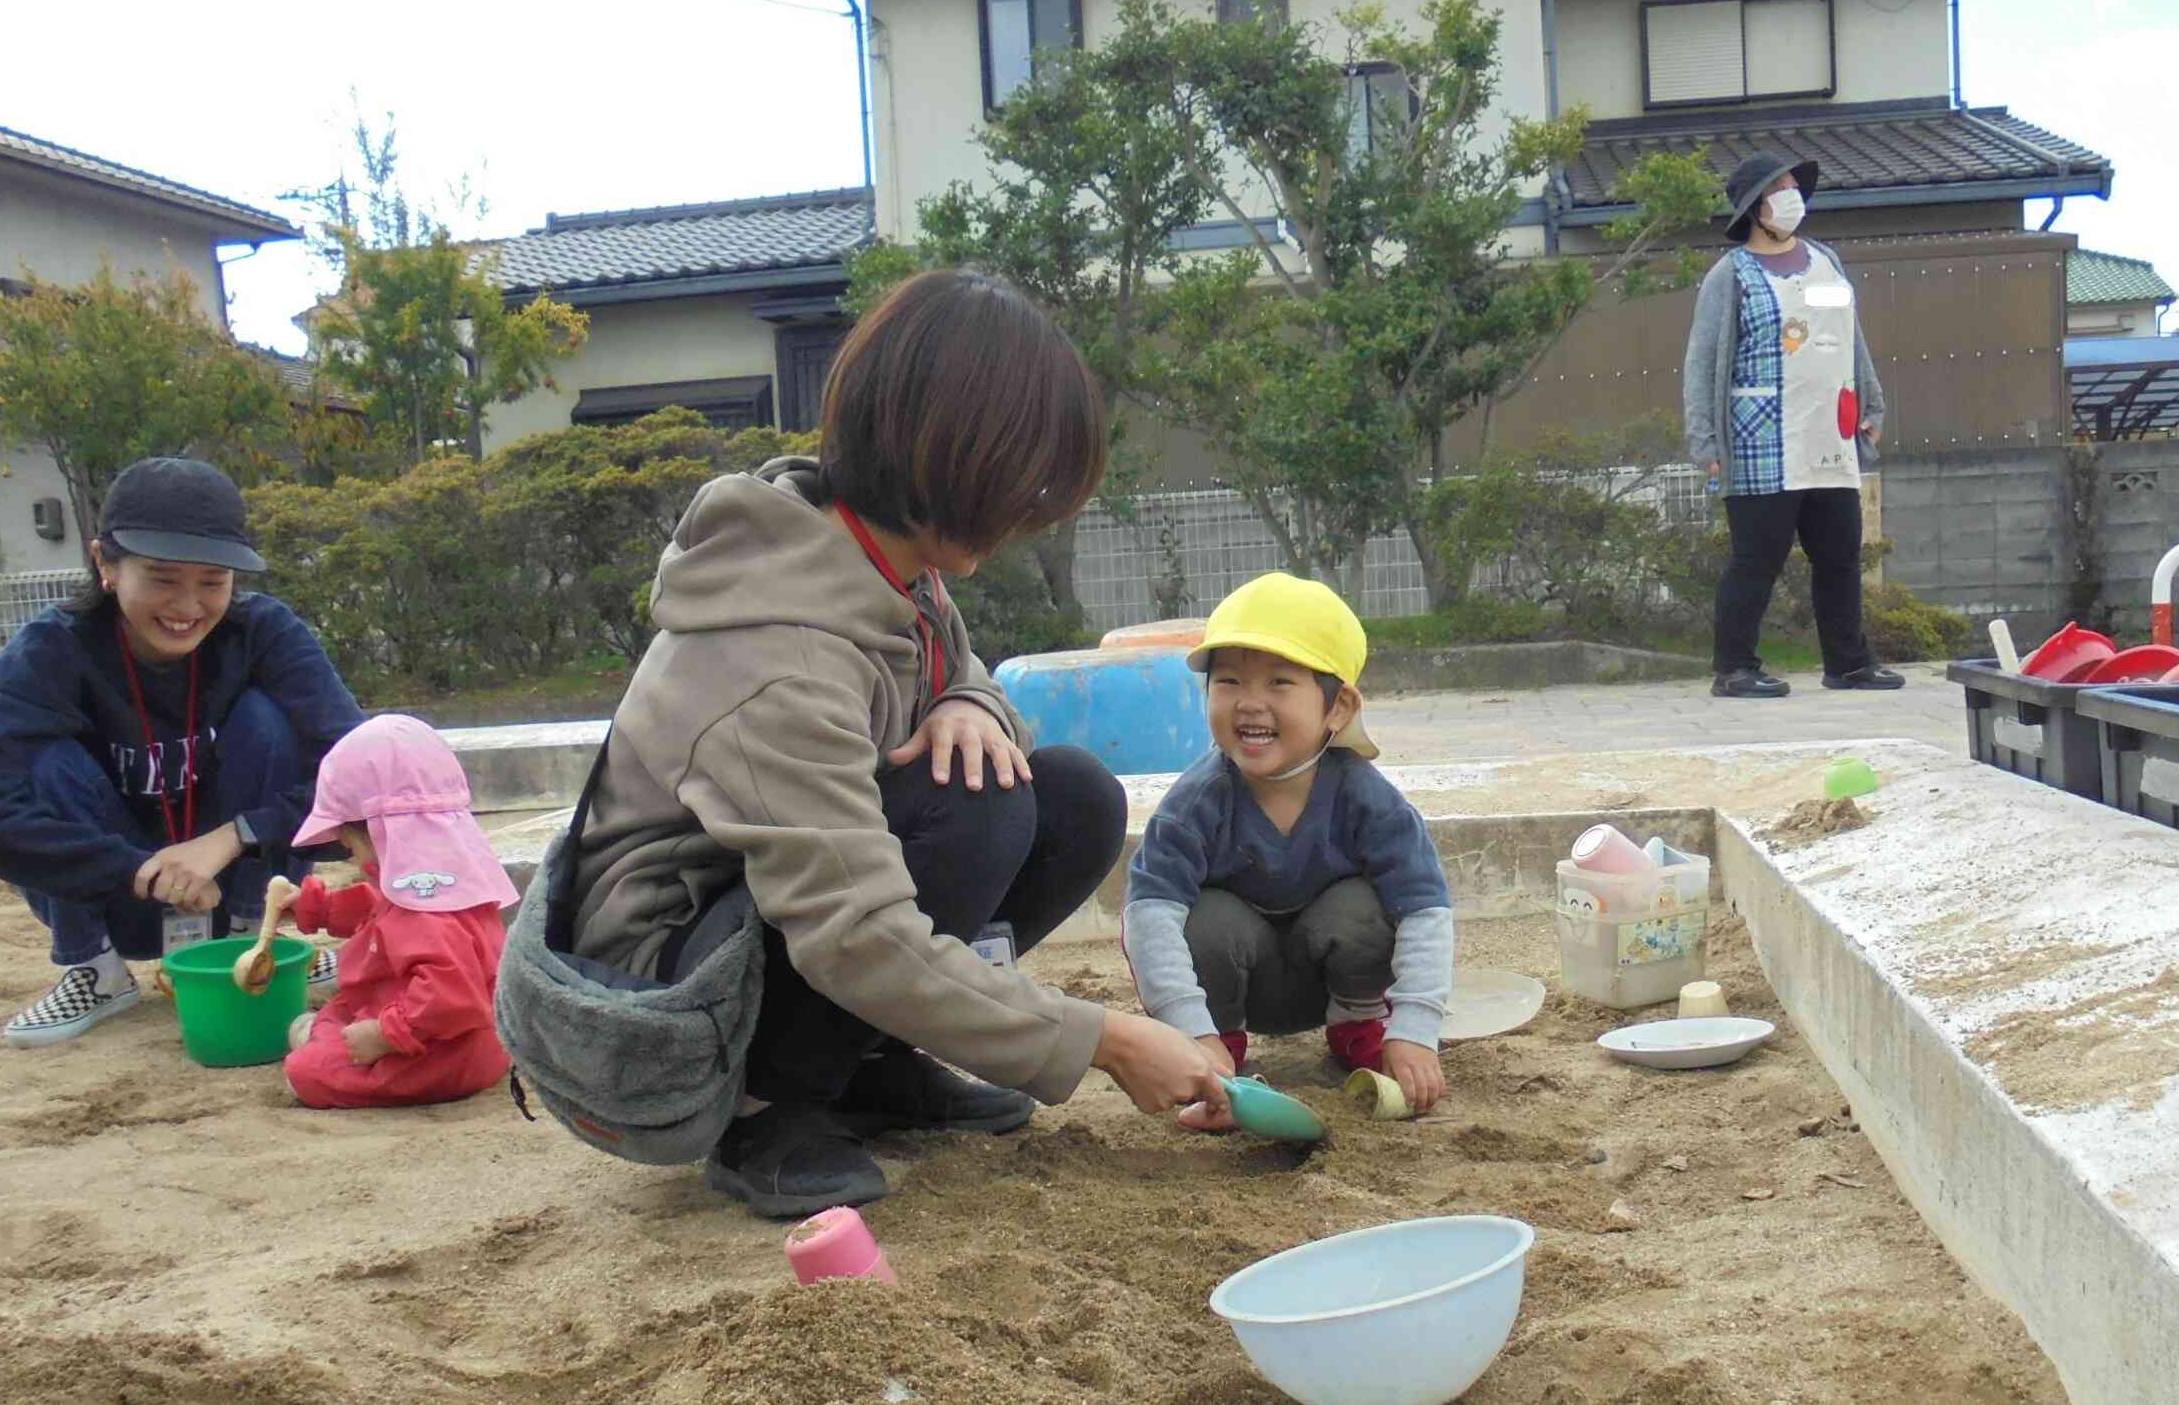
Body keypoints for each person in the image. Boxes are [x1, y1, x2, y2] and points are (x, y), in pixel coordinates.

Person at [567, 268, 1224, 1221]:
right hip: (661, 999)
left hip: (775, 914)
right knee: (977, 810)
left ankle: (866, 1068)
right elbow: (858, 934)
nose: (1034, 504)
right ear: (945, 456)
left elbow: (965, 673)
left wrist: (971, 705)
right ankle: (764, 1110)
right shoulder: (778, 654)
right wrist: (1107, 1041)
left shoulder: (882, 563)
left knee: (1071, 796)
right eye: (1023, 475)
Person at [0, 458, 364, 1046]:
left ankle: (259, 940)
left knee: (269, 720)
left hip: (234, 884)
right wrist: (131, 871)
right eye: (162, 577)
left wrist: (235, 835)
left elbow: (367, 779)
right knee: (43, 760)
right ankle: (95, 969)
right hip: (114, 895)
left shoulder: (263, 634)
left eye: (212, 581)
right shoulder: (54, 651)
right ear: (105, 562)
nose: (188, 606)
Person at [1121, 573, 1453, 1132]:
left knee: (1364, 904)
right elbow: (1148, 917)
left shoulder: (1368, 799)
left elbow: (1425, 911)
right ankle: (1220, 1057)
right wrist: (1190, 1033)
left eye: (1279, 682)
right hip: (1232, 988)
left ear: (1338, 707)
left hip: (1331, 982)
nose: (1250, 704)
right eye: (1228, 681)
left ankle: (1358, 1029)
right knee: (1204, 915)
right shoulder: (1197, 802)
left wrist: (1415, 1032)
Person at [1682, 151, 1905, 701]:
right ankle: (1735, 667)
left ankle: (1848, 663)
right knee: (1757, 559)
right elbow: (1701, 358)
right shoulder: (1728, 275)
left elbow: (1851, 337)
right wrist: (1705, 439)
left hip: (1830, 431)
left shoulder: (1826, 260)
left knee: (1839, 554)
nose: (1791, 197)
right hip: (1760, 438)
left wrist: (1871, 406)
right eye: (1777, 189)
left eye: (1792, 187)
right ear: (1754, 208)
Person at [264, 714, 515, 1110]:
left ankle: (322, 1042)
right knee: (341, 1009)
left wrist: (384, 1035)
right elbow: (380, 911)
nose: (352, 854)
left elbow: (451, 994)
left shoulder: (425, 915)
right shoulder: (441, 881)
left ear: (383, 836)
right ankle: (326, 1032)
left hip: (441, 1053)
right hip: (486, 1043)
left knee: (306, 1072)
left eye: (351, 844)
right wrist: (318, 908)